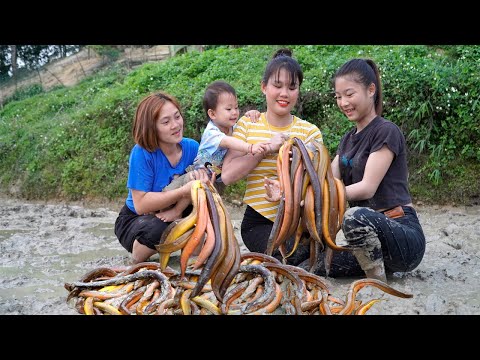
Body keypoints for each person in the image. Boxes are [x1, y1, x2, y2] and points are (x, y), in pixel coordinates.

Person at [264, 58, 426, 282]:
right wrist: (285, 192)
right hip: (366, 242)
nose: (343, 102)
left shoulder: (386, 131)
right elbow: (323, 183)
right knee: (304, 263)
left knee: (354, 216)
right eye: (338, 97)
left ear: (371, 90)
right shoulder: (347, 140)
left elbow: (367, 188)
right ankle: (376, 266)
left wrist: (322, 195)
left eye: (349, 94)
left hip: (402, 235)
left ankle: (377, 282)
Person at [221, 48, 324, 266]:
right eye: (277, 85)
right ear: (264, 87)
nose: (284, 93)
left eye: (292, 87)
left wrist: (288, 187)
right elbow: (228, 176)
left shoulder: (310, 132)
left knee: (311, 255)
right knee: (291, 257)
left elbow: (318, 185)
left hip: (300, 223)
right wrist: (266, 149)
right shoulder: (248, 125)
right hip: (258, 223)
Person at [114, 91, 212, 264]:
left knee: (204, 213)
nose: (175, 125)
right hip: (138, 219)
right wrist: (183, 191)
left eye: (177, 117)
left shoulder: (192, 148)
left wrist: (203, 182)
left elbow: (201, 187)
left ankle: (191, 261)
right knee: (160, 228)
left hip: (178, 210)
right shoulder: (142, 153)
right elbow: (141, 204)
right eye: (166, 122)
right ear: (151, 127)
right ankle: (137, 260)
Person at [158, 80, 269, 222]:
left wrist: (251, 114)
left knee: (206, 207)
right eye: (228, 109)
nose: (234, 112)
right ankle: (171, 211)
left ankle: (185, 218)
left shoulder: (233, 127)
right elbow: (228, 141)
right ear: (212, 114)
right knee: (174, 191)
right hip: (197, 171)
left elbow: (244, 126)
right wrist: (251, 148)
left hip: (217, 180)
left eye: (236, 107)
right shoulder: (212, 132)